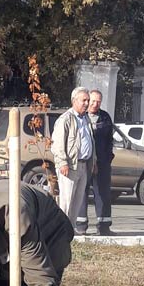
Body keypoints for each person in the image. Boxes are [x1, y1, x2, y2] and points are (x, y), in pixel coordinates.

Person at [51, 87, 93, 236]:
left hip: (83, 165)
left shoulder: (85, 119)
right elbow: (57, 144)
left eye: (88, 100)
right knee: (66, 201)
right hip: (70, 166)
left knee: (77, 200)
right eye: (84, 100)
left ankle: (70, 230)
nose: (87, 103)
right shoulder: (66, 119)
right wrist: (62, 162)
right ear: (74, 101)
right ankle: (61, 231)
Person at [86, 89, 116, 236]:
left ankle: (104, 226)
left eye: (98, 102)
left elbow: (110, 139)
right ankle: (80, 226)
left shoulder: (105, 117)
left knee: (103, 194)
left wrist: (108, 157)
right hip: (84, 162)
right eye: (92, 101)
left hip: (103, 163)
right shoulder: (81, 117)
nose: (95, 104)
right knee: (81, 194)